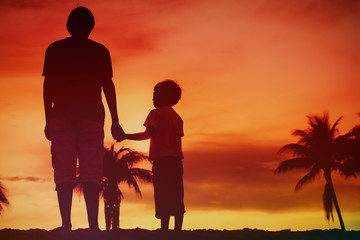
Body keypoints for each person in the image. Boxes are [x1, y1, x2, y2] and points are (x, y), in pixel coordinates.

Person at [42, 6, 124, 231]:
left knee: (63, 170)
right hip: (92, 116)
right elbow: (108, 86)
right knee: (91, 171)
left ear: (69, 25)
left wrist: (48, 118)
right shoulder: (100, 51)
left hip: (61, 115)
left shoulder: (55, 49)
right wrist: (116, 120)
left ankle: (66, 224)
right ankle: (93, 226)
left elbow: (48, 87)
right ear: (91, 27)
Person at [121, 80, 185, 231]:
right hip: (176, 161)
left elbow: (147, 135)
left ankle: (164, 229)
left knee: (163, 193)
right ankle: (177, 230)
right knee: (176, 193)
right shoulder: (177, 118)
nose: (153, 98)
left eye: (155, 95)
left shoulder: (155, 113)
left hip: (161, 162)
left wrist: (125, 135)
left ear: (164, 96)